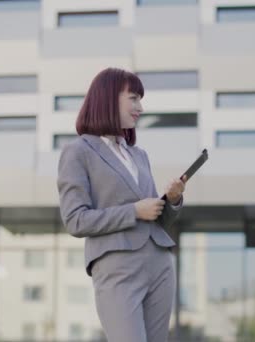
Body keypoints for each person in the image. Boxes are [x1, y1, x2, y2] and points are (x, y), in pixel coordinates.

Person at [56, 67, 186, 342]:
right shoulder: (78, 151)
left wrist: (172, 201)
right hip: (117, 266)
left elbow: (156, 217)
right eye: (134, 98)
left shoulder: (139, 155)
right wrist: (134, 211)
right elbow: (75, 220)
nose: (140, 107)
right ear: (108, 98)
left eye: (141, 99)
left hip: (160, 263)